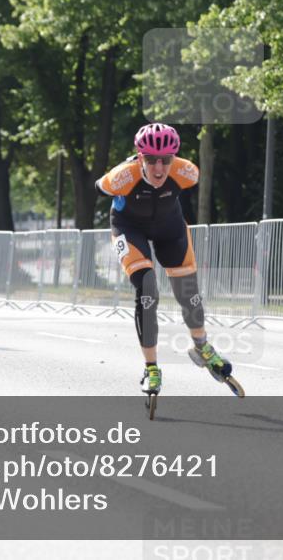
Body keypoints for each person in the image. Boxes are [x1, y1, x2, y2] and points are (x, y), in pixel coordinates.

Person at [95, 122, 231, 395]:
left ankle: (203, 348)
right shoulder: (123, 176)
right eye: (151, 160)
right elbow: (100, 186)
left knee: (188, 294)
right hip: (129, 228)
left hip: (169, 228)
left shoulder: (187, 172)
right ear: (140, 157)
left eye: (166, 160)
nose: (159, 168)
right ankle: (152, 368)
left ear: (174, 158)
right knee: (148, 291)